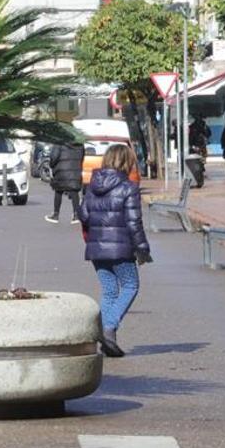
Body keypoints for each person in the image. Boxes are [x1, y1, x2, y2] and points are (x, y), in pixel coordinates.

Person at [79, 145, 151, 358]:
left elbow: (83, 215)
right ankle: (107, 328)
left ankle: (107, 339)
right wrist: (143, 248)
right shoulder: (129, 187)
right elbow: (134, 222)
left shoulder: (91, 186)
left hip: (96, 248)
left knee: (109, 290)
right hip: (121, 248)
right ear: (127, 161)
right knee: (130, 285)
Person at [45, 141, 85, 224]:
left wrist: (51, 165)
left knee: (58, 191)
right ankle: (76, 214)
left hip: (61, 170)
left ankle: (56, 215)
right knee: (74, 191)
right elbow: (82, 157)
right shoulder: (80, 144)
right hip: (75, 170)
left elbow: (54, 157)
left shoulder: (59, 142)